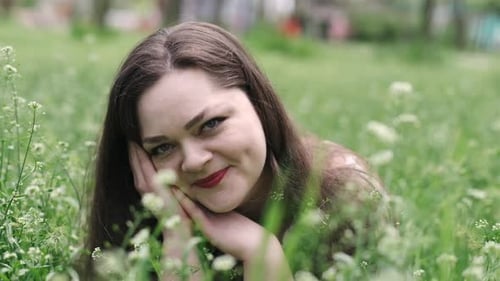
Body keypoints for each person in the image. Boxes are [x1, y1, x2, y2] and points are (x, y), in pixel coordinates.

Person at [85, 21, 386, 280]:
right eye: (163, 147)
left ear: (258, 103)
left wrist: (263, 256)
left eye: (211, 124)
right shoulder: (142, 229)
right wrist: (178, 238)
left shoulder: (342, 195)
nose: (194, 161)